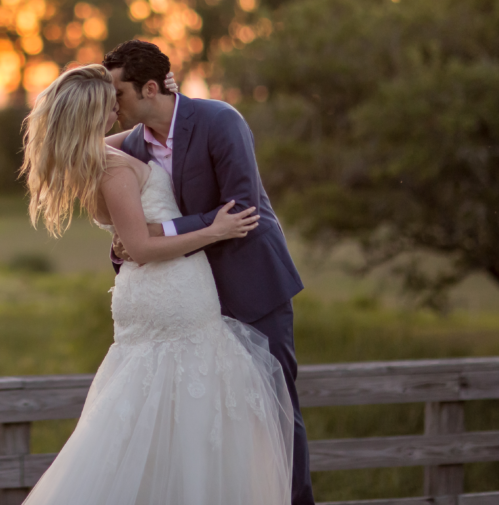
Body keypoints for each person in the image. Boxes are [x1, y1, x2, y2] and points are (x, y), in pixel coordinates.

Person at [19, 63, 293, 505]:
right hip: (169, 293)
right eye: (110, 101)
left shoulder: (99, 153)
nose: (117, 105)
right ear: (96, 113)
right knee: (195, 406)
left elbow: (133, 149)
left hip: (160, 293)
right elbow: (142, 247)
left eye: (119, 94)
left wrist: (166, 104)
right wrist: (214, 230)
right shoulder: (113, 166)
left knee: (167, 408)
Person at [103, 39, 314, 505]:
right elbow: (127, 214)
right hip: (189, 298)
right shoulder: (132, 145)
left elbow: (243, 208)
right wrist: (130, 244)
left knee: (274, 406)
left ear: (150, 88)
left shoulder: (220, 120)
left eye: (117, 93)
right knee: (211, 417)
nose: (110, 104)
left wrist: (162, 229)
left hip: (253, 284)